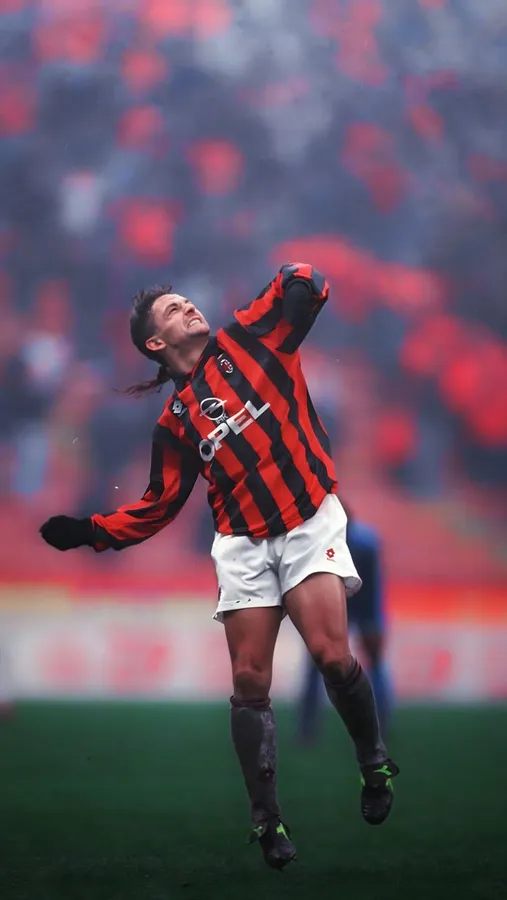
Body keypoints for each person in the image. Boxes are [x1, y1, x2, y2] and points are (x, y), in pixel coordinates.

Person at [39, 264, 399, 870]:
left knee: (332, 656)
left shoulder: (251, 337)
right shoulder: (175, 423)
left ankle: (373, 761)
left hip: (308, 520)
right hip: (242, 545)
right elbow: (158, 506)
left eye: (187, 301)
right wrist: (91, 532)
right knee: (250, 681)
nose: (188, 308)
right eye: (173, 309)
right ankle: (266, 819)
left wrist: (303, 287)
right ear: (157, 342)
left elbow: (300, 282)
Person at [297, 506, 394, 745]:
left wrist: (373, 621)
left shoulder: (331, 543)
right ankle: (379, 723)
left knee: (320, 666)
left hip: (349, 606)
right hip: (347, 607)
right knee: (323, 666)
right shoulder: (363, 541)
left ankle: (308, 727)